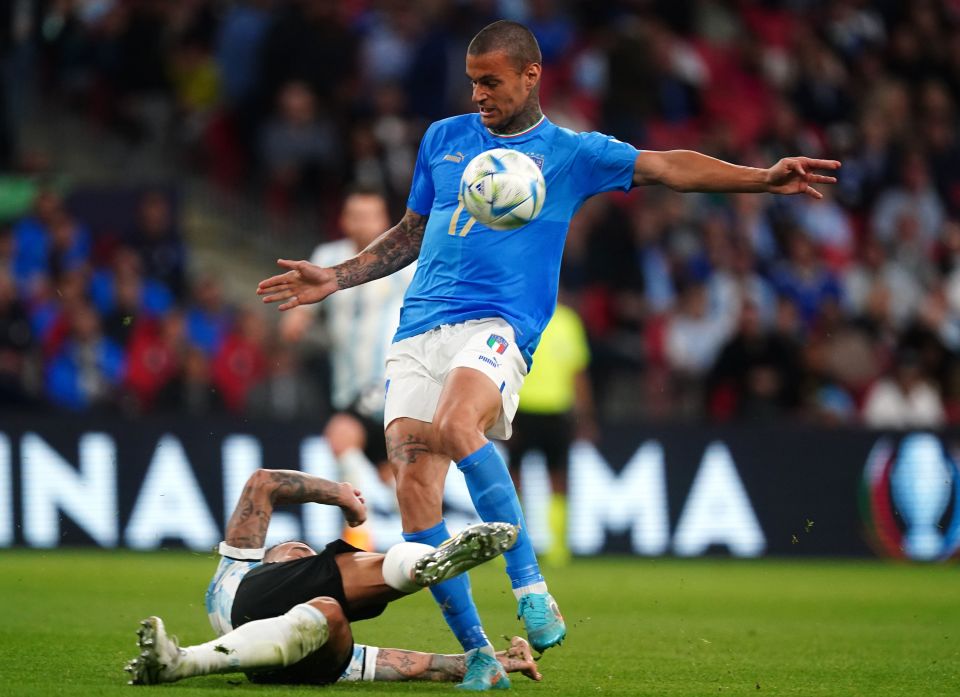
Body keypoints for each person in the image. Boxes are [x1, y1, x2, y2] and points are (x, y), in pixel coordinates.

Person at [257, 19, 840, 690]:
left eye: (492, 82)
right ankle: (478, 652)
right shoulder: (443, 140)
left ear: (531, 76)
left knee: (456, 425)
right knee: (417, 497)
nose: (478, 94)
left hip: (499, 324)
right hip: (418, 329)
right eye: (473, 81)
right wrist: (339, 275)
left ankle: (531, 587)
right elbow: (412, 233)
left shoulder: (571, 153)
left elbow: (667, 165)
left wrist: (761, 179)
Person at [125, 467, 535, 687]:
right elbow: (262, 483)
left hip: (307, 658)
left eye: (304, 552)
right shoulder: (236, 571)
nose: (303, 550)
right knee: (330, 584)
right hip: (260, 620)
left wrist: (495, 661)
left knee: (330, 612)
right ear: (266, 558)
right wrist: (340, 493)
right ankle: (419, 567)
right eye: (295, 550)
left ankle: (180, 663)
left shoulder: (287, 597)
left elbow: (420, 666)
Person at [280, 187, 415, 547]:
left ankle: (358, 536)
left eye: (370, 215)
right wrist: (297, 319)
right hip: (345, 384)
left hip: (386, 378)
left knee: (340, 436)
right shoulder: (328, 257)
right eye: (355, 214)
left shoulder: (401, 259)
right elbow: (305, 306)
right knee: (390, 473)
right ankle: (428, 535)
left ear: (385, 220)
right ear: (343, 219)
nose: (362, 222)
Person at [507, 300, 595, 567]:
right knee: (513, 478)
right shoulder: (519, 314)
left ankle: (557, 546)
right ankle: (510, 542)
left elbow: (577, 371)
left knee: (555, 477)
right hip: (521, 407)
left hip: (556, 411)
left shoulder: (566, 321)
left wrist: (584, 414)